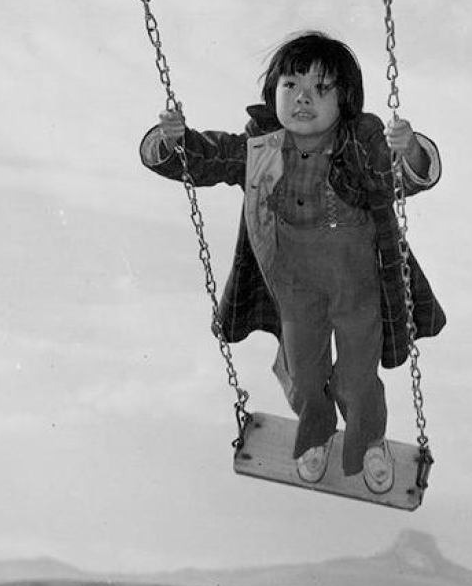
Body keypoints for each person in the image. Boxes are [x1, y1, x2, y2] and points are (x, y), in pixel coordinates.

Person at [140, 30, 445, 494]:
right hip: (295, 284)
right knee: (304, 372)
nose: (304, 99)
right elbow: (205, 159)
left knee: (358, 375)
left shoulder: (360, 144)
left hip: (357, 283)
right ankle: (315, 432)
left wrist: (410, 150)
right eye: (292, 86)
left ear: (345, 102)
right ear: (274, 93)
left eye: (321, 89)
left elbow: (397, 175)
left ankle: (367, 442)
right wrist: (173, 141)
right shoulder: (259, 148)